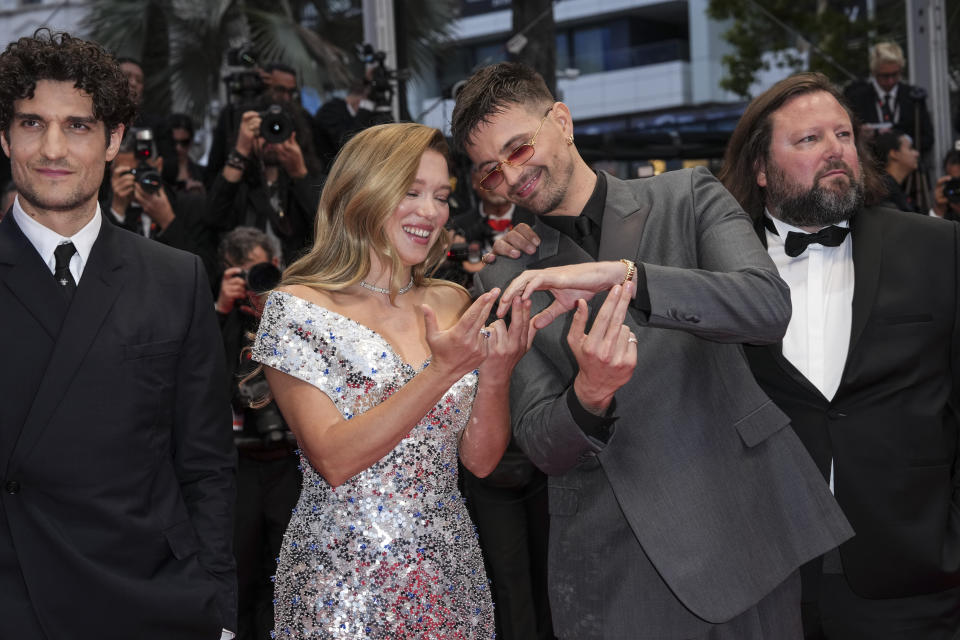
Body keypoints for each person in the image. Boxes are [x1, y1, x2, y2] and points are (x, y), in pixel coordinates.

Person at [451, 61, 852, 640]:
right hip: (612, 561)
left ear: (560, 121)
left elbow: (767, 307)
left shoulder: (687, 194)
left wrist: (630, 277)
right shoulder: (503, 278)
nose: (511, 179)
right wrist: (589, 395)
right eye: (490, 173)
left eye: (517, 149)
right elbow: (540, 442)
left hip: (740, 526)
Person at [250, 122, 533, 637]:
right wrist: (442, 370)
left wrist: (497, 374)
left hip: (449, 576)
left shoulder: (452, 301)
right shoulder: (296, 309)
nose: (431, 211)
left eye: (442, 196)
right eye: (412, 191)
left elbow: (480, 461)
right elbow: (334, 459)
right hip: (341, 585)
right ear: (362, 192)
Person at [0, 29, 236, 640]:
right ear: (4, 137)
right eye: (32, 123)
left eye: (77, 126)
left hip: (152, 599)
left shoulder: (175, 276)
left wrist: (217, 608)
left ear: (114, 142)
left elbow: (205, 464)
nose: (53, 148)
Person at [718, 71, 960, 640]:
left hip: (911, 575)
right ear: (760, 166)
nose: (835, 150)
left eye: (844, 135)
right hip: (762, 579)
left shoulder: (938, 248)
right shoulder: (718, 267)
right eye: (808, 140)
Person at [215, 227, 299, 640]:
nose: (256, 283)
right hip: (239, 464)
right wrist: (221, 309)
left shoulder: (296, 312)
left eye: (263, 271)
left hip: (288, 461)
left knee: (283, 575)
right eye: (246, 273)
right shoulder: (219, 316)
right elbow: (204, 376)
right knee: (240, 573)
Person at [844, 42, 933, 155]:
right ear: (874, 72)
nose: (890, 81)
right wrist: (860, 135)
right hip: (871, 164)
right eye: (885, 76)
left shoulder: (913, 96)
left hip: (906, 167)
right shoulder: (857, 98)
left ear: (901, 70)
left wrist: (907, 142)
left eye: (895, 74)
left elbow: (928, 138)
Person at [871, 129, 920, 212]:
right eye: (910, 148)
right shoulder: (884, 193)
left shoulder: (892, 188)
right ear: (894, 154)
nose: (916, 153)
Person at [931, 148, 960, 222]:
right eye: (954, 182)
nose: (957, 188)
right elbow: (931, 231)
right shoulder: (946, 205)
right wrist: (938, 211)